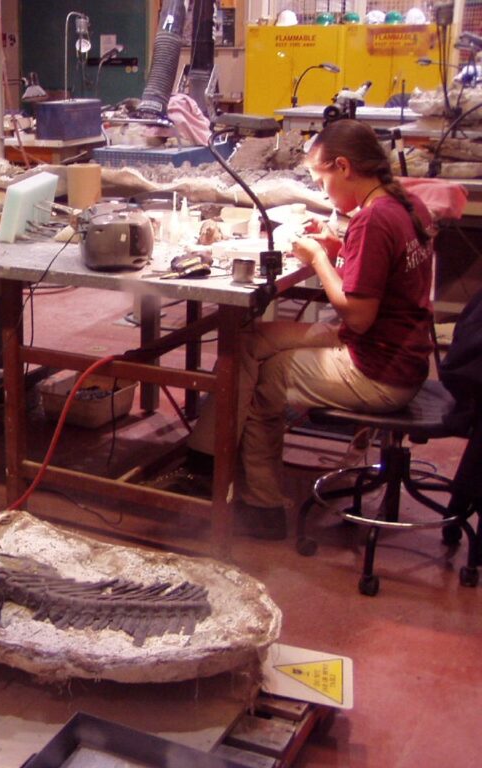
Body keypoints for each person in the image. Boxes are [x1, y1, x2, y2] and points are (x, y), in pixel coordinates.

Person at [182, 119, 436, 539]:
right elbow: (379, 279)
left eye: (323, 180)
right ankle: (206, 457)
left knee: (269, 376)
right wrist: (339, 248)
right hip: (397, 351)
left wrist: (319, 257)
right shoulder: (404, 202)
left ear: (344, 166)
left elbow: (357, 316)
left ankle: (259, 508)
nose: (323, 192)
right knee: (250, 341)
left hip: (379, 369)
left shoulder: (374, 220)